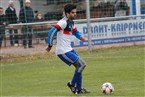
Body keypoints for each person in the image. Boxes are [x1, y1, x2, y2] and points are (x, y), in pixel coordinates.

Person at [46, 4, 90, 94]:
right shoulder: (63, 22)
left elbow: (75, 31)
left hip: (69, 49)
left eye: (75, 12)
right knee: (82, 65)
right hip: (63, 51)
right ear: (67, 13)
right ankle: (72, 84)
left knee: (80, 67)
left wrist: (80, 37)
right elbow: (51, 31)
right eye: (73, 13)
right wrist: (50, 45)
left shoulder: (71, 22)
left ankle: (79, 88)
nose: (75, 14)